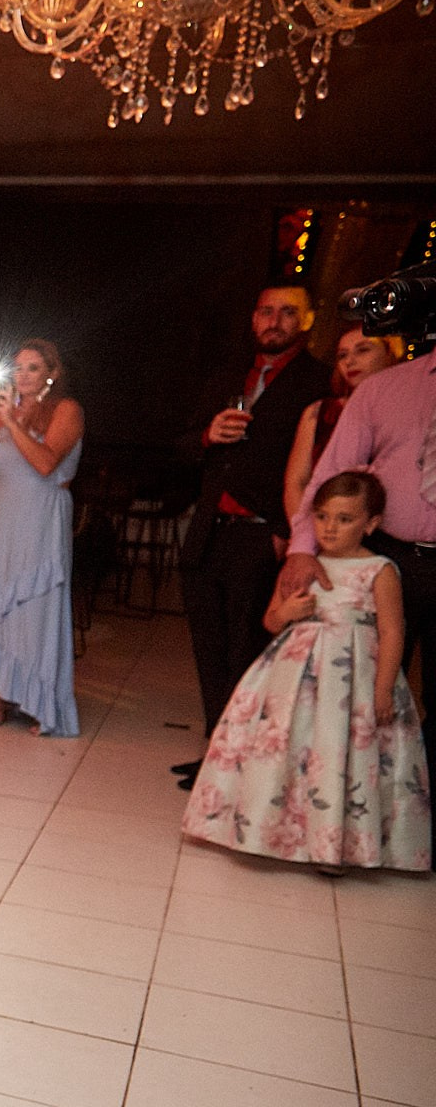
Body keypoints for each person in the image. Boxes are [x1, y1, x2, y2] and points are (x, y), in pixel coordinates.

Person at [184, 472, 430, 871]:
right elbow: (270, 620)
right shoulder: (301, 565)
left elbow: (392, 632)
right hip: (294, 678)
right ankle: (268, 831)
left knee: (340, 754)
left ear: (370, 524)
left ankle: (336, 844)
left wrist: (384, 688)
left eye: (344, 519)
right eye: (322, 516)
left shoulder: (380, 570)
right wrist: (288, 612)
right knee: (291, 749)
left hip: (352, 681)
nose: (330, 528)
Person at [278, 347, 436, 861]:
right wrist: (303, 548)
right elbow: (331, 476)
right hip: (390, 553)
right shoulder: (386, 388)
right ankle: (350, 826)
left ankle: (418, 834)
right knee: (368, 705)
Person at [173, 284, 332, 790]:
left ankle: (240, 763)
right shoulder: (228, 376)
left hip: (265, 534)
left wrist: (288, 533)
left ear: (307, 320)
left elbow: (320, 471)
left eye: (287, 312)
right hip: (208, 531)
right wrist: (207, 435)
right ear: (253, 318)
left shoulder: (319, 381)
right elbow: (181, 446)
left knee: (250, 652)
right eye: (266, 311)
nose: (274, 320)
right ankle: (216, 751)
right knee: (210, 651)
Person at [0, 339, 84, 737]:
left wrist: (11, 423)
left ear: (51, 373)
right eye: (18, 368)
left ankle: (40, 698)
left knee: (33, 607)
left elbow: (46, 463)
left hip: (40, 517)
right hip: (2, 518)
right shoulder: (4, 411)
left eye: (32, 368)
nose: (22, 375)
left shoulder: (66, 409)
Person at [282, 325, 402, 523]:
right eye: (342, 355)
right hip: (327, 530)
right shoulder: (321, 412)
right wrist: (305, 534)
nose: (350, 361)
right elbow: (296, 482)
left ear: (391, 352)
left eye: (363, 350)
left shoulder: (410, 408)